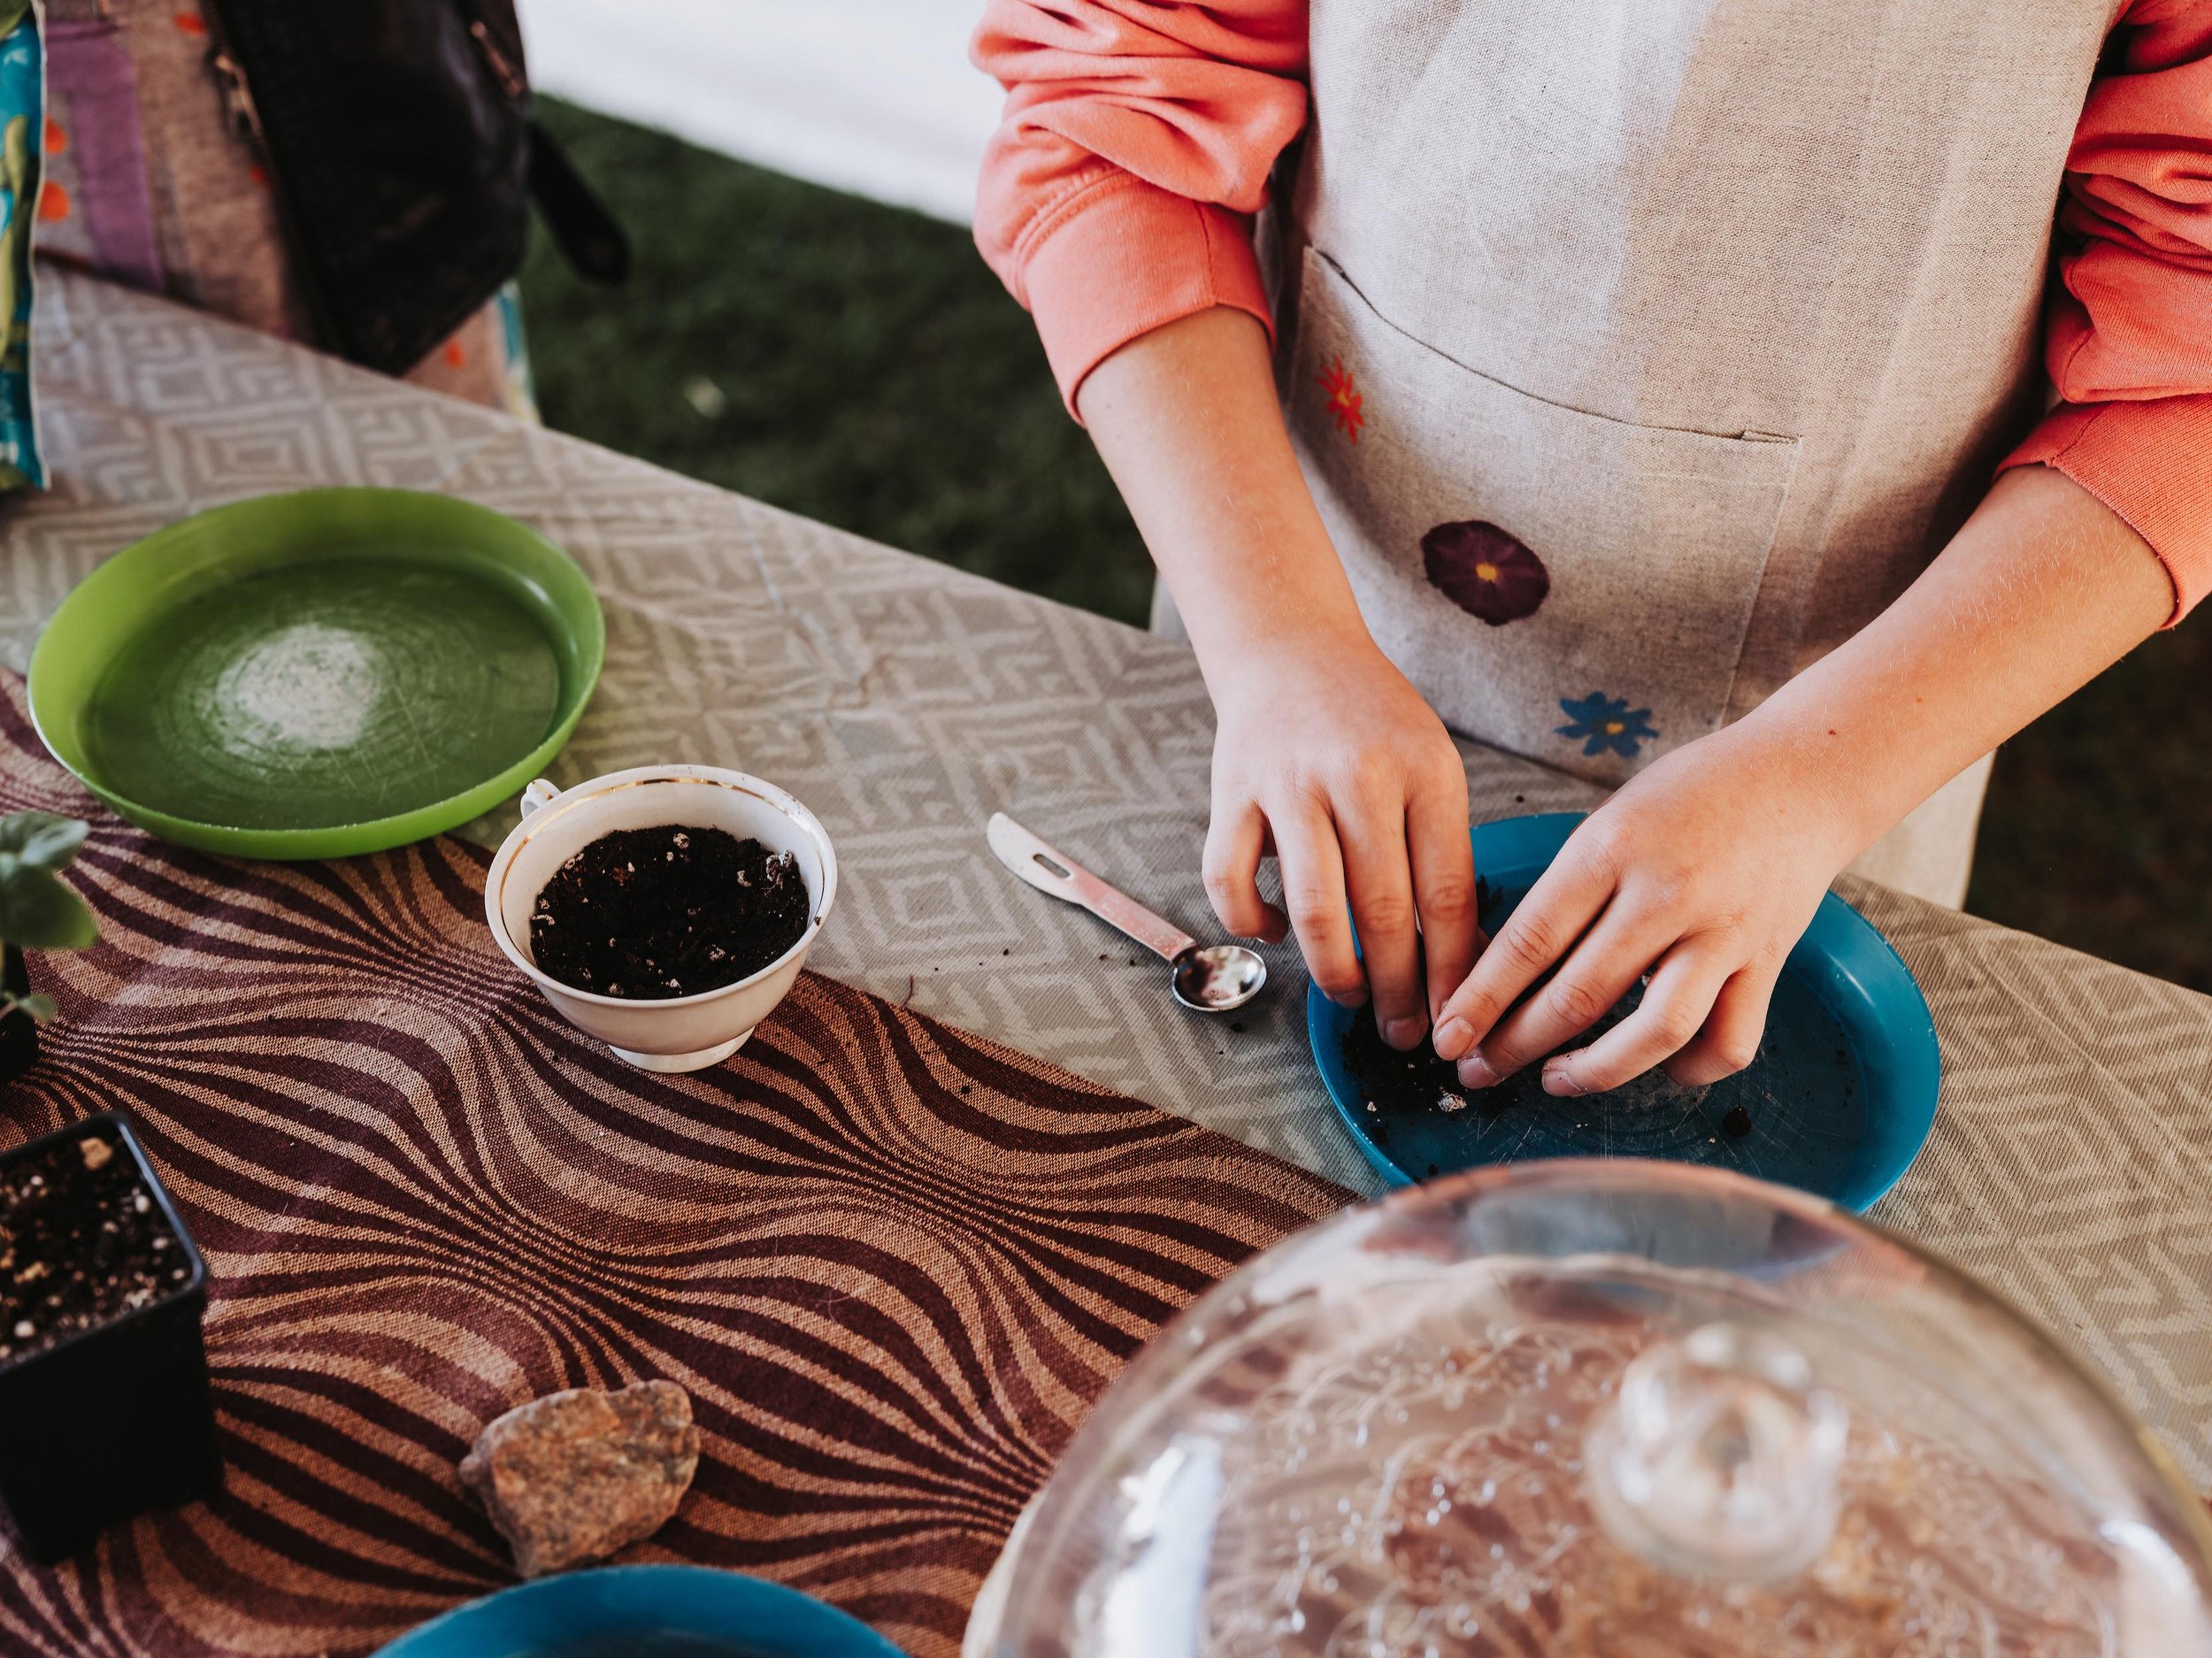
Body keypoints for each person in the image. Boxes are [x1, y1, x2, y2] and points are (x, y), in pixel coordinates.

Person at [971, 0, 2211, 1097]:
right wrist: (1280, 642)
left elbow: (2186, 377)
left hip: (1857, 713)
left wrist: (1816, 778)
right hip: (1288, 606)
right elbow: (1110, 114)